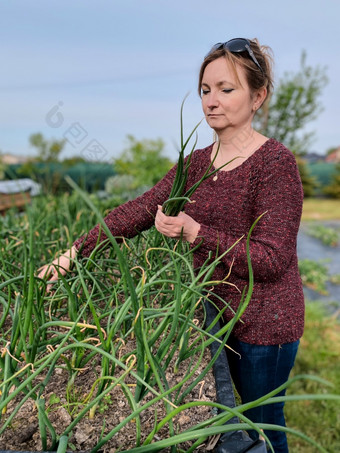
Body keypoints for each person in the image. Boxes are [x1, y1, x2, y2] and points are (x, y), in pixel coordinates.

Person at [38, 38, 304, 452]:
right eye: (205, 90)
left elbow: (271, 258)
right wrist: (74, 253)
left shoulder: (274, 163)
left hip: (265, 326)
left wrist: (196, 233)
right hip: (213, 318)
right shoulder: (195, 163)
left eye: (226, 89)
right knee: (229, 429)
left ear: (258, 96)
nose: (211, 101)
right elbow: (139, 209)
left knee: (262, 430)